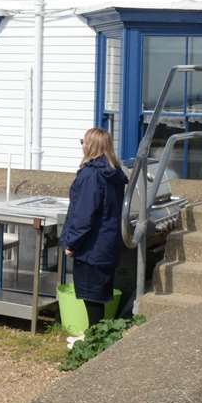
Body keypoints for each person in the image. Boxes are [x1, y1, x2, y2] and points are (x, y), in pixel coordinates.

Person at [62, 127, 128, 327]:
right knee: (99, 295)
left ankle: (95, 341)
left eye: (83, 141)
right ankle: (97, 337)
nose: (82, 145)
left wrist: (71, 242)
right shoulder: (113, 173)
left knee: (92, 297)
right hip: (107, 243)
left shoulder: (91, 175)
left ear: (90, 145)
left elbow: (84, 215)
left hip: (92, 247)